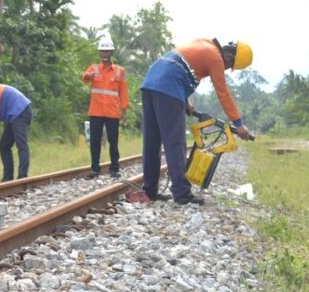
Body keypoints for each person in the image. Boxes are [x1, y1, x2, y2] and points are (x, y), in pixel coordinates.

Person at [140, 39, 253, 205]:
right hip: (168, 88)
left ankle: (149, 191)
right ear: (228, 56)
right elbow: (223, 93)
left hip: (151, 83)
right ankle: (182, 193)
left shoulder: (204, 43)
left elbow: (178, 67)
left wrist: (184, 101)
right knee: (175, 143)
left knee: (152, 141)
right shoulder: (215, 58)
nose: (226, 69)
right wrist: (239, 123)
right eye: (229, 66)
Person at [82, 37, 130, 178]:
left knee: (113, 141)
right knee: (95, 141)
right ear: (99, 53)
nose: (104, 53)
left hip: (112, 112)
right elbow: (84, 77)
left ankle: (114, 168)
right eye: (102, 51)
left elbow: (124, 93)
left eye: (106, 51)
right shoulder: (94, 68)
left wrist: (124, 111)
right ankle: (95, 169)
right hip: (96, 111)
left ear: (111, 52)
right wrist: (88, 75)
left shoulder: (120, 72)